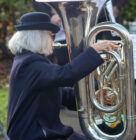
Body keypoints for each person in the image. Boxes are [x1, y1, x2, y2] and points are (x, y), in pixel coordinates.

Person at [7, 12, 120, 140]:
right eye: (51, 35)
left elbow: (61, 94)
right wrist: (93, 51)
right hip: (33, 134)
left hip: (41, 130)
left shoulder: (30, 60)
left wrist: (94, 98)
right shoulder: (29, 64)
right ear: (38, 37)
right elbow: (66, 75)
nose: (53, 40)